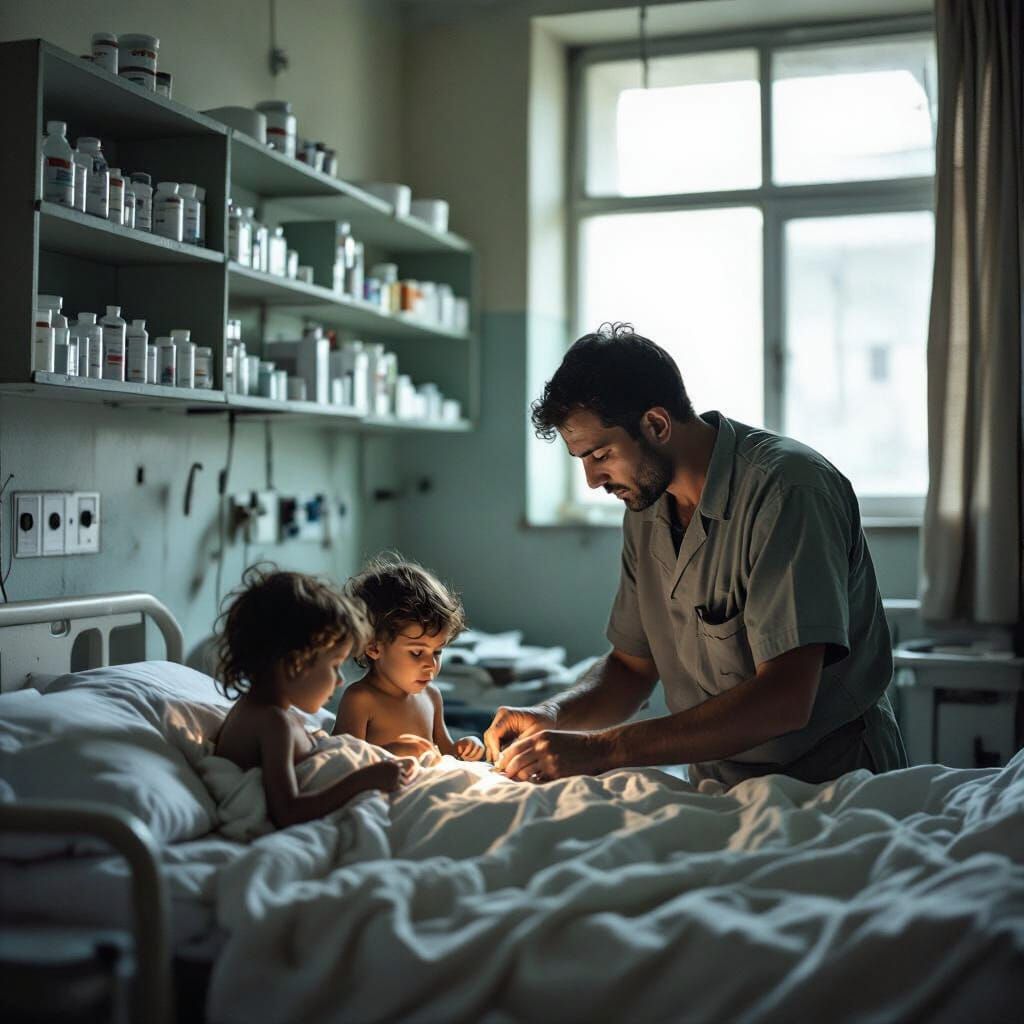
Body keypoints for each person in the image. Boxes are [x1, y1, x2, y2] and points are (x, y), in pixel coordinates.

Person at [485, 322, 908, 788]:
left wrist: (600, 750)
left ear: (656, 424)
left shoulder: (787, 491)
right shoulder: (646, 506)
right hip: (717, 785)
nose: (592, 480)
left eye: (601, 455)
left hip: (829, 780)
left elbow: (785, 698)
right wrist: (550, 714)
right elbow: (630, 668)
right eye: (582, 460)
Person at [214, 565, 413, 829]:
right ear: (296, 664)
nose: (340, 680)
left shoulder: (267, 711)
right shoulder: (274, 723)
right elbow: (288, 811)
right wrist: (364, 780)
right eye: (334, 665)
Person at [333, 556, 486, 761]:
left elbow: (447, 753)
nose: (431, 664)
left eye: (437, 652)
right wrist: (392, 752)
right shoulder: (360, 699)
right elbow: (343, 761)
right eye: (417, 652)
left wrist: (467, 746)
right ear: (373, 647)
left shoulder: (432, 696)